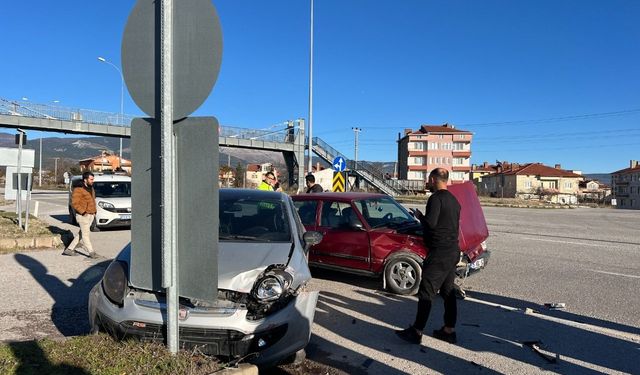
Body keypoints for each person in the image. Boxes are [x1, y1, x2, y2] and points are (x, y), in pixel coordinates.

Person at [395, 168, 461, 345]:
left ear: (433, 179)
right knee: (448, 292)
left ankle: (416, 331)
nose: (428, 182)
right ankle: (449, 330)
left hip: (439, 252)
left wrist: (419, 217)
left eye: (428, 180)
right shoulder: (454, 200)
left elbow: (431, 224)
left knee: (426, 291)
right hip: (453, 250)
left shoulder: (436, 198)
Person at [63, 171, 98, 258]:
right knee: (86, 235)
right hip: (83, 216)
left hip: (91, 215)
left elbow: (93, 201)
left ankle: (69, 249)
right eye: (91, 179)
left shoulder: (91, 188)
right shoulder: (78, 189)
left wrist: (94, 212)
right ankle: (91, 252)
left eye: (93, 179)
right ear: (85, 179)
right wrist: (83, 212)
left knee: (82, 234)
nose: (92, 181)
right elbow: (75, 203)